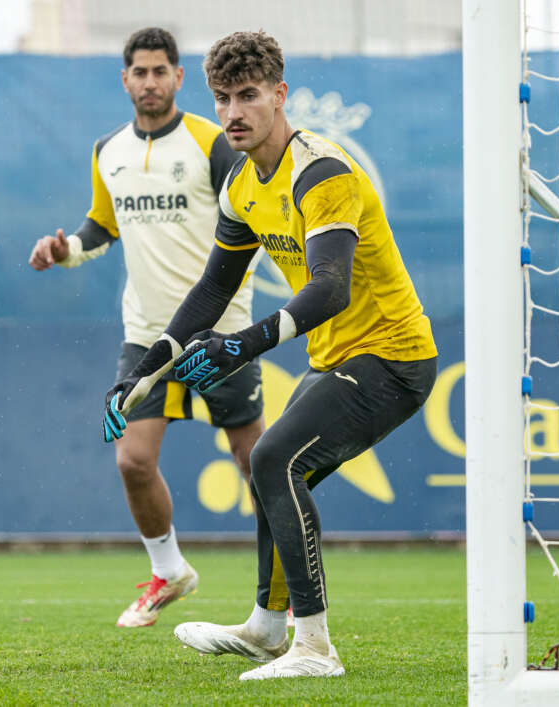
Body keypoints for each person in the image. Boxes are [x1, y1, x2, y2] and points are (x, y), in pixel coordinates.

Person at [102, 31, 438, 679]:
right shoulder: (242, 186)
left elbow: (330, 289)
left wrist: (243, 344)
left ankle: (313, 646)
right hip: (338, 357)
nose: (234, 111)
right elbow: (211, 292)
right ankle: (266, 628)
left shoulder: (321, 170)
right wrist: (143, 374)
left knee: (275, 457)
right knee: (271, 465)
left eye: (249, 96)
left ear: (280, 96)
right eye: (224, 97)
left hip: (394, 356)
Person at [29, 27, 265, 628]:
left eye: (162, 71)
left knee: (257, 462)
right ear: (126, 79)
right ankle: (170, 571)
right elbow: (99, 227)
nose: (151, 81)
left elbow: (252, 220)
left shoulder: (214, 143)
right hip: (145, 334)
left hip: (221, 329)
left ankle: (284, 594)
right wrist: (66, 250)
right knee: (132, 461)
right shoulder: (108, 149)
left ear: (180, 77)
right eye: (140, 71)